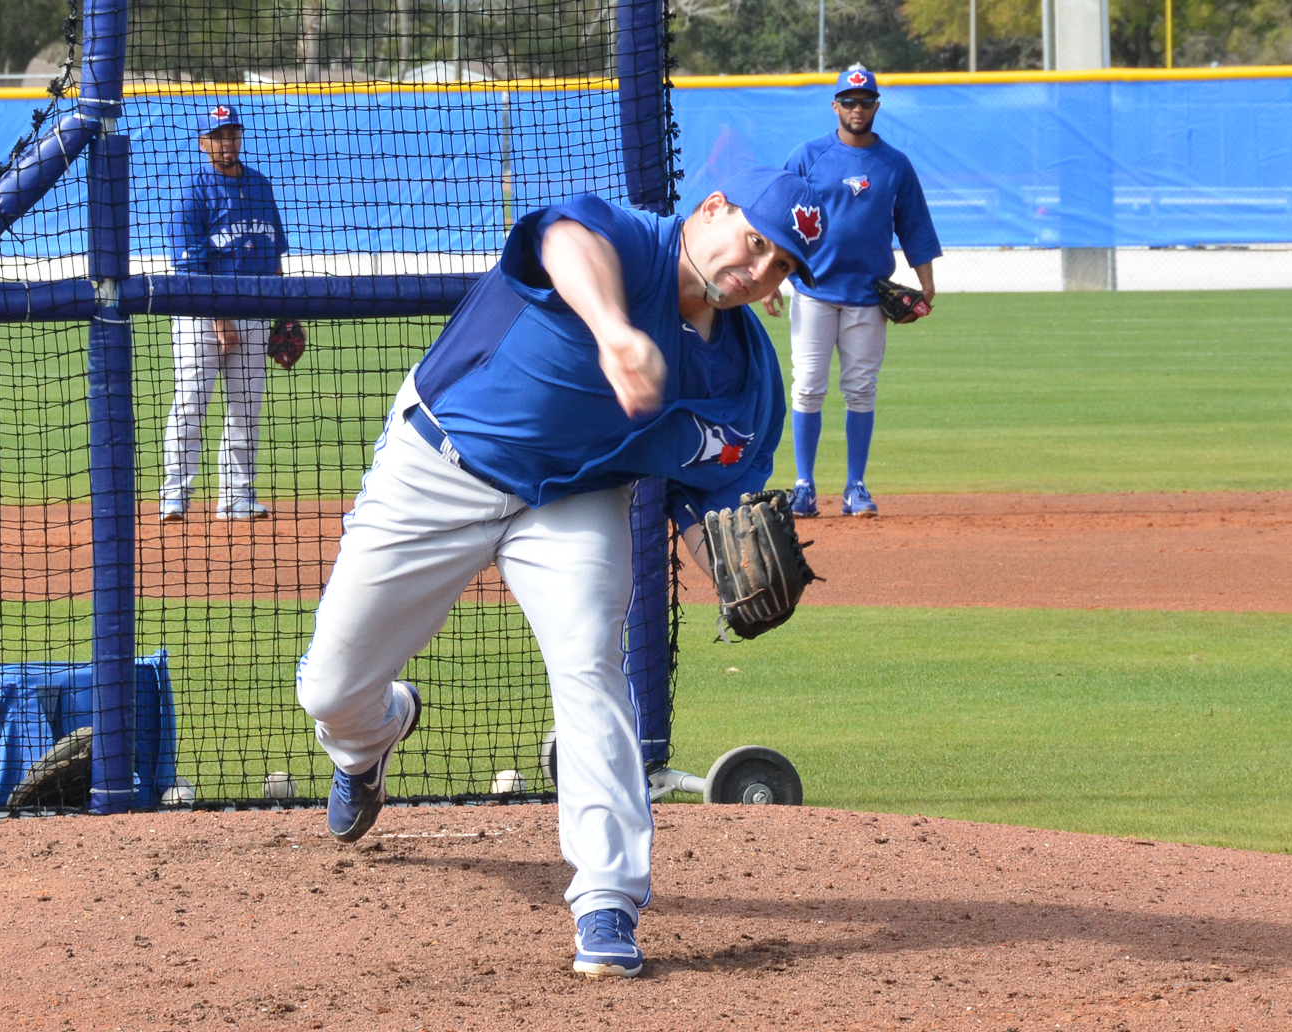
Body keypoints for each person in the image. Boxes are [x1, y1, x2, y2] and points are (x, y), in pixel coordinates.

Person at [294, 167, 826, 977]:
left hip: (575, 501)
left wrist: (727, 571)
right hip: (445, 461)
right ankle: (371, 737)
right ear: (713, 210)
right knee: (328, 690)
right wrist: (615, 331)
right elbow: (563, 239)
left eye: (780, 266)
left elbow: (708, 511)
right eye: (755, 241)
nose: (758, 271)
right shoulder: (629, 244)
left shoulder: (747, 386)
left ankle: (608, 898)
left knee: (590, 663)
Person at [768, 64, 941, 519]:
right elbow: (777, 218)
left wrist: (926, 281)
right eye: (849, 101)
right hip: (814, 289)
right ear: (835, 106)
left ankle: (855, 486)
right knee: (806, 388)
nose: (857, 108)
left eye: (865, 101)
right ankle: (804, 485)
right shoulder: (808, 157)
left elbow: (914, 225)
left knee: (861, 390)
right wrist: (769, 279)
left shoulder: (894, 165)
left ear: (876, 106)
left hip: (868, 295)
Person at [159, 103, 288, 522]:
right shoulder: (194, 193)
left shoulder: (261, 186)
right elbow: (191, 267)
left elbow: (274, 256)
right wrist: (220, 321)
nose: (226, 143)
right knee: (192, 402)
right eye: (217, 136)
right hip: (201, 315)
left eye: (232, 134)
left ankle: (236, 495)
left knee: (246, 405)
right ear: (203, 144)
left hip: (255, 311)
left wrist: (284, 314)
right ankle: (175, 493)